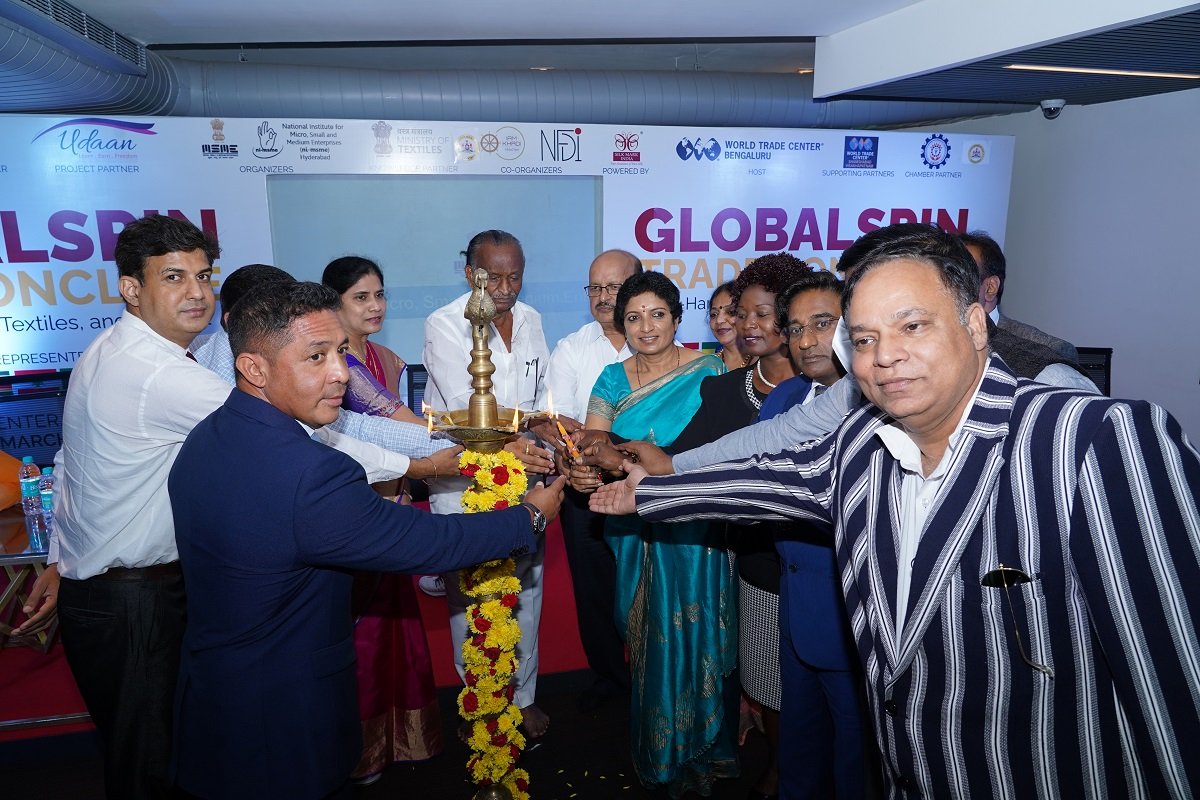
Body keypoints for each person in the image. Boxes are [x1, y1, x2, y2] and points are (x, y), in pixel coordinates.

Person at [590, 223, 1200, 799]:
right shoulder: (863, 441)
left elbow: (1175, 690)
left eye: (911, 326)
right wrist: (648, 492)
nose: (884, 356)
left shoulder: (1094, 438)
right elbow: (773, 478)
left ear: (975, 323)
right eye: (864, 339)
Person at [43, 215, 418, 800]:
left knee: (160, 757)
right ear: (131, 288)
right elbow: (296, 440)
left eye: (203, 275)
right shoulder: (156, 373)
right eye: (173, 277)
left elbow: (72, 460)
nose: (196, 292)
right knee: (151, 767)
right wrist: (427, 463)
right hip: (135, 600)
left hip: (115, 591)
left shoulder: (115, 349)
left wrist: (60, 557)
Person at [167, 280, 566, 799]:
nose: (340, 373)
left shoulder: (209, 435)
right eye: (316, 357)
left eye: (340, 352)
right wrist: (528, 517)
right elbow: (425, 542)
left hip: (215, 694)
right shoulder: (307, 472)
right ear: (254, 369)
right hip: (280, 718)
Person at [580, 270, 737, 798]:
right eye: (633, 317)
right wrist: (593, 457)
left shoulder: (710, 369)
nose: (646, 327)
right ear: (621, 324)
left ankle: (706, 747)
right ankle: (663, 750)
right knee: (648, 630)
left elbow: (729, 446)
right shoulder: (611, 379)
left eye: (657, 315)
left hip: (696, 523)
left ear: (676, 317)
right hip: (633, 520)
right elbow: (594, 443)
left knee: (699, 626)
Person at [422, 229, 554, 739]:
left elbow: (538, 396)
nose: (504, 289)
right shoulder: (444, 323)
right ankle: (480, 701)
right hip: (466, 479)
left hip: (525, 473)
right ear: (469, 273)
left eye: (514, 277)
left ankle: (523, 697)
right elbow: (467, 408)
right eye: (492, 277)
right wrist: (525, 429)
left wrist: (548, 425)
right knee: (471, 595)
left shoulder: (532, 319)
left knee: (527, 587)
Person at [321, 255, 442, 781]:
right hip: (351, 509)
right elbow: (404, 424)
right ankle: (360, 752)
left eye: (380, 295)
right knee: (363, 636)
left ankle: (402, 741)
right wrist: (476, 443)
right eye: (360, 297)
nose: (375, 306)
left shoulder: (386, 357)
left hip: (392, 501)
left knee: (394, 629)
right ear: (333, 303)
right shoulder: (337, 364)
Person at [764, 271, 874, 800]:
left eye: (823, 324)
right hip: (793, 601)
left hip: (852, 613)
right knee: (800, 748)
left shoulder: (879, 404)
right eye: (795, 328)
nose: (807, 340)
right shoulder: (784, 397)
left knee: (858, 758)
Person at [541, 248, 641, 710]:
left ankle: (655, 680)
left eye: (614, 287)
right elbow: (558, 420)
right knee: (595, 592)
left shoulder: (658, 342)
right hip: (586, 486)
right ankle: (611, 682)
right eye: (595, 287)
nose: (603, 297)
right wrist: (576, 456)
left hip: (647, 487)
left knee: (648, 589)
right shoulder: (572, 348)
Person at [960, 230, 1079, 362]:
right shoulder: (943, 341)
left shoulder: (1050, 351)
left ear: (990, 288)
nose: (949, 285)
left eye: (959, 275)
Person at [709, 280, 750, 370]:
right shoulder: (705, 367)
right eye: (714, 314)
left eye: (731, 312)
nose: (719, 320)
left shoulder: (764, 366)